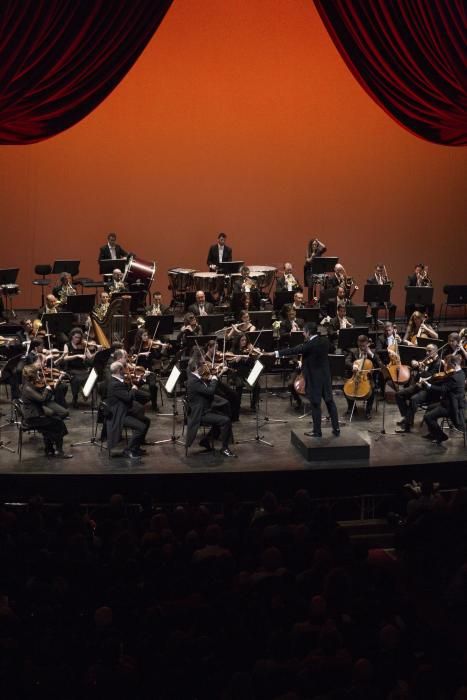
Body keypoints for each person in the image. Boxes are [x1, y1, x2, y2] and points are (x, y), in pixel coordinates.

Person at [274, 322, 340, 437]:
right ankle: (336, 428)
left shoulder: (310, 344)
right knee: (330, 402)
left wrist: (276, 353)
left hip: (315, 379)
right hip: (326, 377)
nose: (303, 334)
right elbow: (331, 348)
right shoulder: (324, 341)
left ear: (308, 332)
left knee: (315, 404)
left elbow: (293, 350)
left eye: (304, 332)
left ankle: (317, 431)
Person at [185, 357, 237, 457]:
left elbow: (205, 388)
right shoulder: (193, 381)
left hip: (204, 408)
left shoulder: (194, 376)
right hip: (200, 413)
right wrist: (213, 380)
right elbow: (210, 391)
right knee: (225, 420)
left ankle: (206, 440)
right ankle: (224, 448)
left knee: (223, 414)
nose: (204, 367)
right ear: (196, 367)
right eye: (201, 366)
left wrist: (210, 379)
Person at [20, 365, 72, 458]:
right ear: (33, 375)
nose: (39, 375)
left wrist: (49, 387)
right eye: (37, 373)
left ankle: (49, 449)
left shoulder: (29, 384)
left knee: (51, 424)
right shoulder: (28, 388)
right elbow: (42, 399)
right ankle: (59, 452)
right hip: (33, 418)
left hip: (36, 414)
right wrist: (47, 388)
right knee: (59, 423)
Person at [105, 361, 151, 458]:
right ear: (119, 370)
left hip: (124, 409)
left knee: (146, 421)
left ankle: (136, 447)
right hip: (119, 414)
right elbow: (128, 397)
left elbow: (128, 391)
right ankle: (128, 450)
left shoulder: (116, 380)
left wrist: (141, 380)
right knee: (141, 427)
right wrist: (134, 389)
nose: (125, 371)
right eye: (123, 369)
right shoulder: (115, 384)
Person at [394, 343, 442, 433]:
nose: (427, 353)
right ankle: (407, 417)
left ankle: (407, 426)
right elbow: (418, 363)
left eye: (429, 351)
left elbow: (432, 377)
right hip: (419, 385)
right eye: (426, 351)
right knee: (398, 394)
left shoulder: (439, 363)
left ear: (436, 351)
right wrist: (414, 362)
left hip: (428, 389)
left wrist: (422, 371)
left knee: (413, 399)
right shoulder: (427, 359)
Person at [421, 354, 465, 444]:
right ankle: (433, 433)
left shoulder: (455, 377)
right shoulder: (460, 373)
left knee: (428, 417)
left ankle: (441, 436)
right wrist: (431, 379)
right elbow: (445, 381)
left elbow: (443, 389)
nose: (446, 366)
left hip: (451, 406)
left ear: (454, 365)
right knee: (430, 407)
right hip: (448, 402)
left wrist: (429, 385)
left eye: (448, 364)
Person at [344, 335, 377, 419]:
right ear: (357, 343)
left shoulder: (371, 352)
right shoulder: (353, 352)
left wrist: (371, 354)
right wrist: (353, 366)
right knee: (345, 388)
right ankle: (352, 408)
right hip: (355, 376)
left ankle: (368, 411)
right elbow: (347, 361)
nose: (362, 348)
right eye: (360, 346)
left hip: (367, 378)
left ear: (367, 343)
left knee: (372, 389)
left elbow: (378, 362)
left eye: (364, 346)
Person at [61, 327, 92, 408]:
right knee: (76, 379)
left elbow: (90, 357)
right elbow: (65, 358)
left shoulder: (83, 345)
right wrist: (77, 355)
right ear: (72, 336)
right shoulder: (67, 345)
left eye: (79, 337)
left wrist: (98, 351)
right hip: (71, 368)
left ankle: (86, 393)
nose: (78, 339)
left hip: (82, 368)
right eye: (76, 337)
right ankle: (75, 397)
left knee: (91, 378)